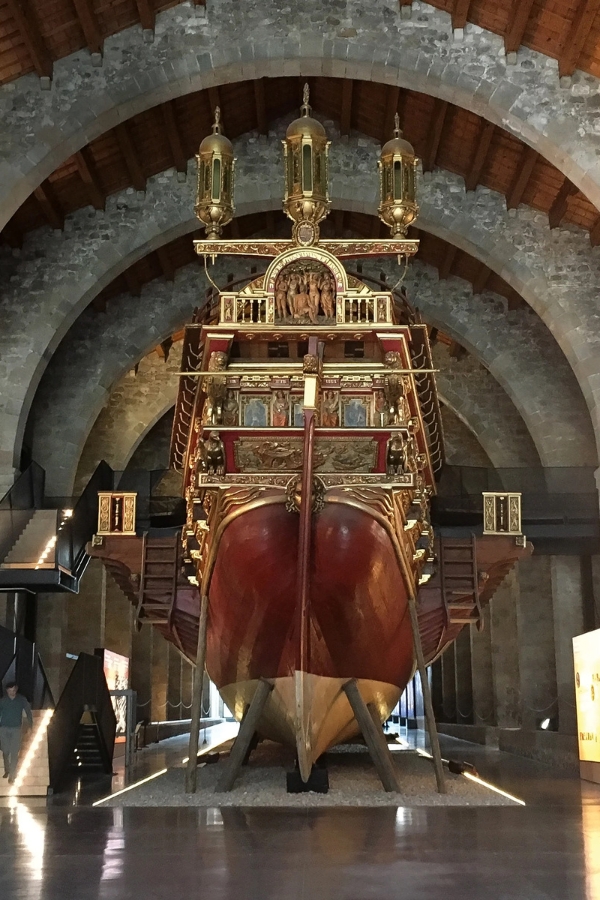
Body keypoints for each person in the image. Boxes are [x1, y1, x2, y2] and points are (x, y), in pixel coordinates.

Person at [0, 682, 33, 784]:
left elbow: (28, 711)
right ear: (7, 691)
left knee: (14, 752)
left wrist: (30, 725)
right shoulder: (3, 701)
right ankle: (7, 769)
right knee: (5, 751)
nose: (12, 692)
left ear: (16, 689)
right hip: (4, 728)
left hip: (16, 729)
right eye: (10, 691)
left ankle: (12, 776)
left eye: (13, 690)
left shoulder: (21, 699)